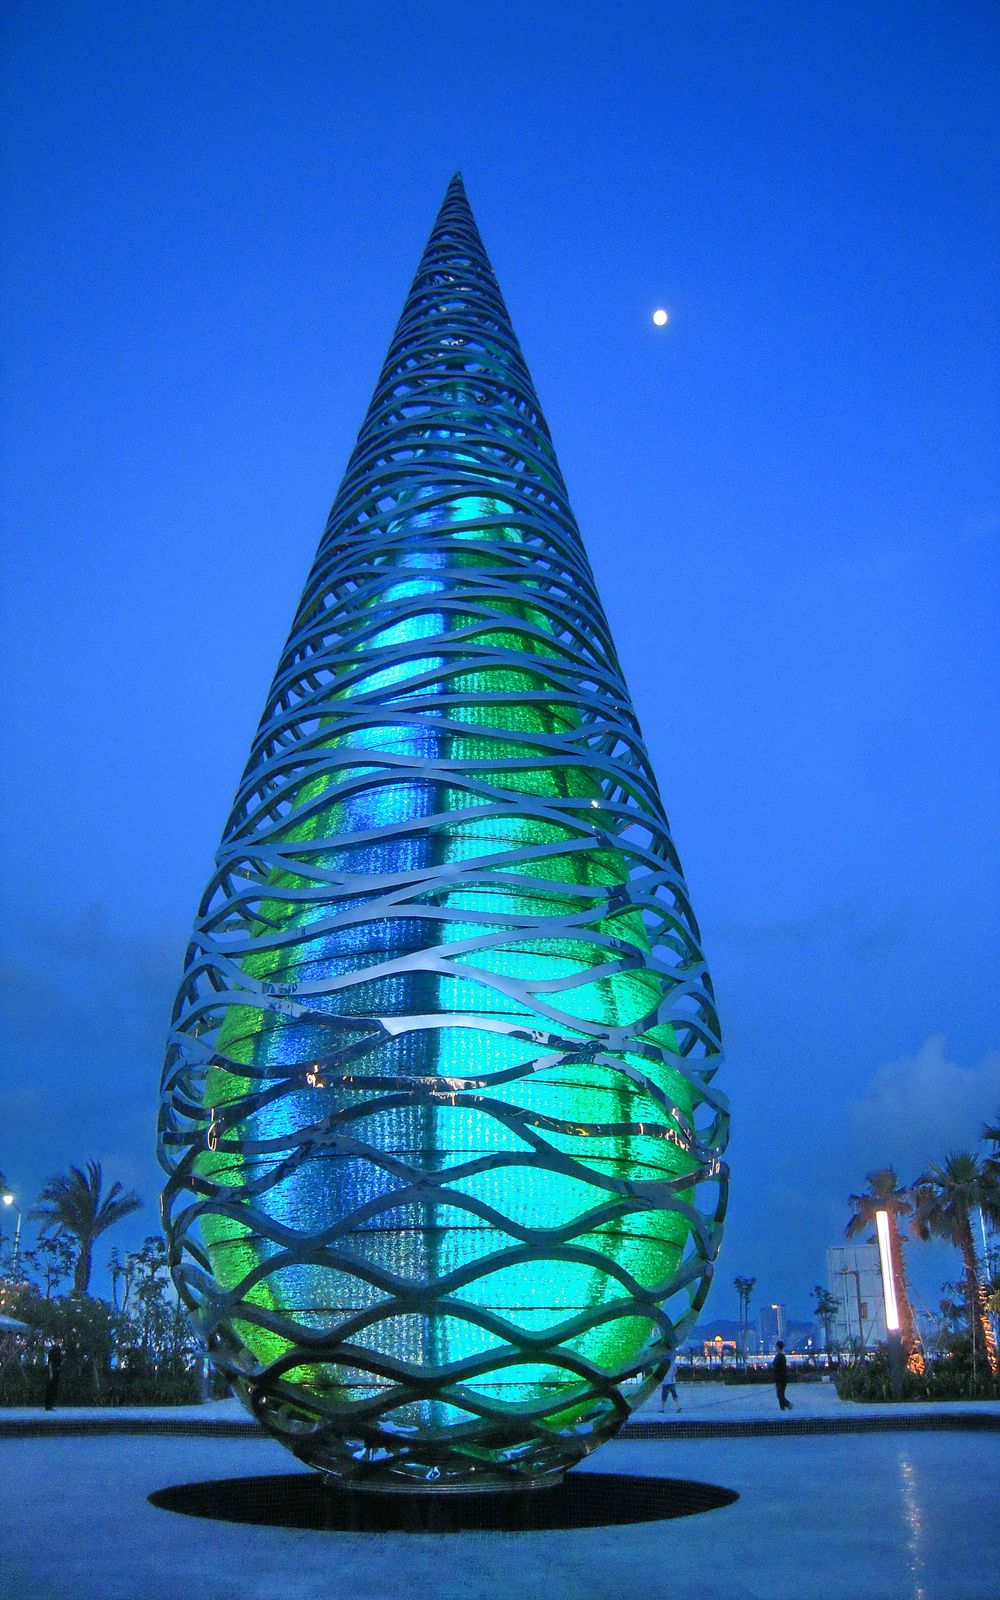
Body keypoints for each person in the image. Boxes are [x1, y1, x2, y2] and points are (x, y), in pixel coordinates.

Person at [772, 1340, 792, 1410]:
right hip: (783, 1378)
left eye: (776, 1346)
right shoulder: (782, 1356)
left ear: (778, 1347)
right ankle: (782, 1408)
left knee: (779, 1395)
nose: (775, 1348)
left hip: (780, 1379)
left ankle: (788, 1404)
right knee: (781, 1394)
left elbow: (774, 1364)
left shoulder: (779, 1356)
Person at [43, 1342, 63, 1411]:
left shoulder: (60, 1351)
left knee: (54, 1388)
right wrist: (50, 1372)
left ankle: (51, 1404)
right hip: (52, 1371)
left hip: (57, 1372)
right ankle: (47, 1405)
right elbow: (50, 1362)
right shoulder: (51, 1351)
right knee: (50, 1388)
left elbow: (60, 1361)